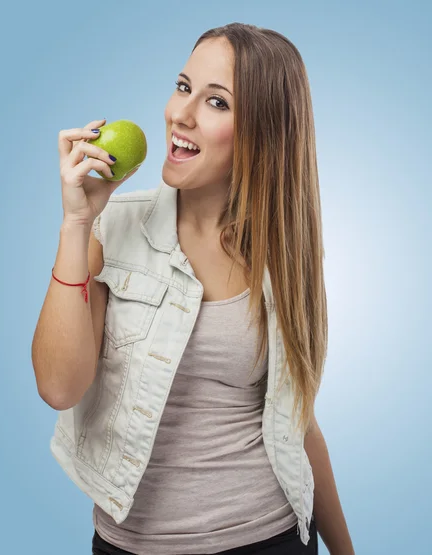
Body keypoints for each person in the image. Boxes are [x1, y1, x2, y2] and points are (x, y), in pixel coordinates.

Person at [32, 22, 354, 555]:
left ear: (263, 130)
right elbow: (58, 387)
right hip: (130, 544)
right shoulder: (111, 227)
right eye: (183, 87)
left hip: (268, 537)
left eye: (216, 102)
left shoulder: (286, 255)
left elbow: (300, 423)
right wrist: (76, 224)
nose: (180, 114)